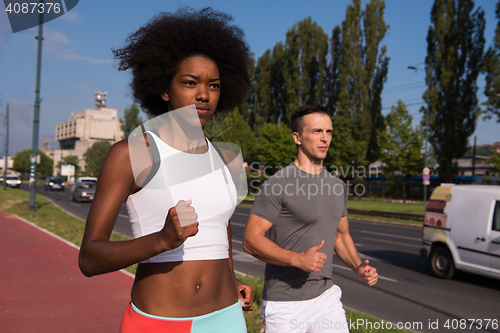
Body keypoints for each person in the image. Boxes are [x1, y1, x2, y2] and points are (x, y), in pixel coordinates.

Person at [78, 7, 254, 333]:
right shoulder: (132, 154)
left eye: (213, 85)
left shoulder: (229, 157)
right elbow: (89, 259)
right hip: (159, 323)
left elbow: (221, 228)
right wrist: (161, 240)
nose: (203, 94)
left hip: (226, 318)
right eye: (190, 82)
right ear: (164, 89)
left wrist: (232, 280)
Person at [243, 104, 378, 333]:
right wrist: (296, 259)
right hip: (285, 303)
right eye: (317, 131)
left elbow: (341, 236)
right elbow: (250, 240)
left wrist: (358, 266)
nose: (325, 138)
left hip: (326, 298)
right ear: (297, 137)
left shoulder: (338, 187)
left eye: (329, 132)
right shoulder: (277, 185)